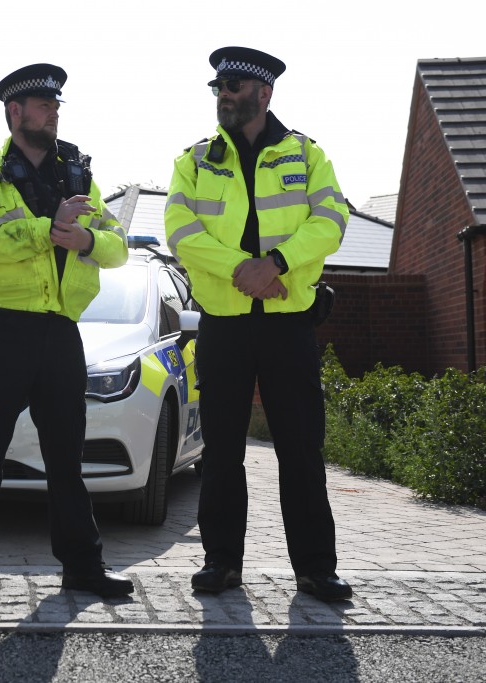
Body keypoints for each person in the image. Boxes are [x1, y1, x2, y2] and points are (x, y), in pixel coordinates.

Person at [0, 63, 132, 610]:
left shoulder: (79, 172)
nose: (54, 113)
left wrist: (85, 237)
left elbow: (119, 246)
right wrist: (50, 228)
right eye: (44, 105)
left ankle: (84, 569)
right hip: (0, 328)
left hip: (60, 331)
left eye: (57, 105)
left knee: (67, 459)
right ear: (15, 112)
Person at [163, 47, 353, 602]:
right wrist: (241, 271)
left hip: (289, 323)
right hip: (223, 324)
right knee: (221, 450)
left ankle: (316, 568)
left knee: (300, 447)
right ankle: (221, 562)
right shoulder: (194, 160)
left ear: (264, 94)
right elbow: (180, 229)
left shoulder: (306, 154)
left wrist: (276, 265)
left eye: (235, 86)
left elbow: (332, 219)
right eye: (219, 86)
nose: (224, 94)